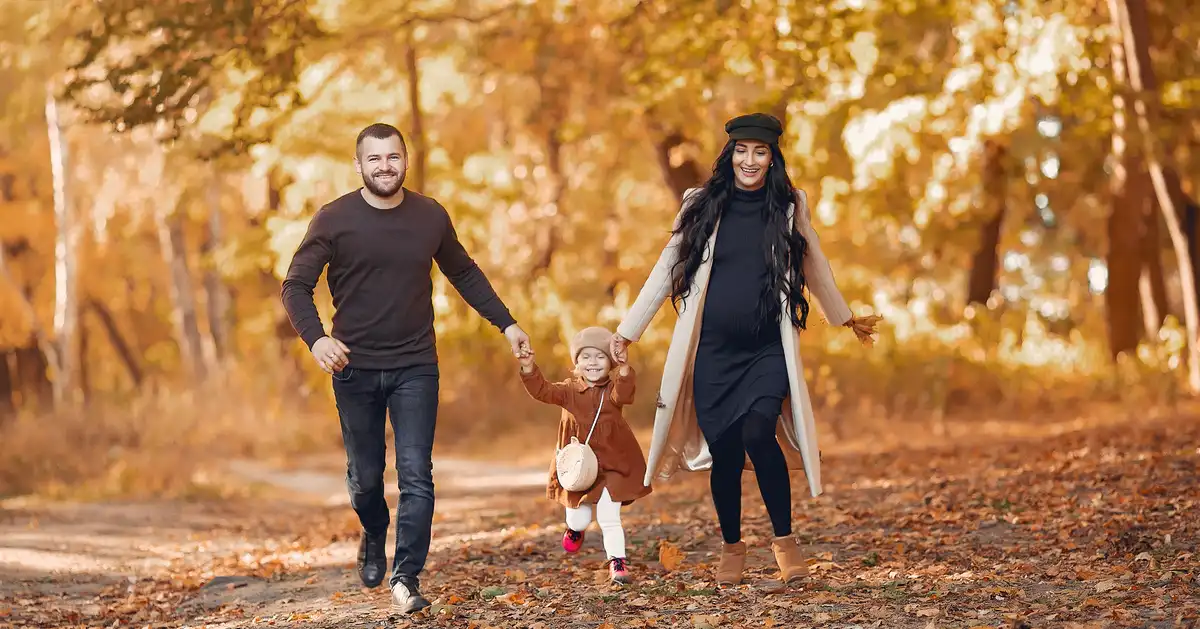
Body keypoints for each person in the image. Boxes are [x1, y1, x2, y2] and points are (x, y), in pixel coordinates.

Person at [609, 113, 879, 586]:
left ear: (772, 158)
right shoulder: (701, 204)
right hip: (713, 355)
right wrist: (629, 330)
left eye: (760, 152)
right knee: (727, 453)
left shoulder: (790, 206)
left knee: (759, 431)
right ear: (729, 154)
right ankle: (733, 547)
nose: (749, 160)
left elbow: (815, 263)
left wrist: (844, 316)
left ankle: (786, 542)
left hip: (765, 351)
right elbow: (665, 269)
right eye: (742, 150)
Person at [280, 123, 532, 613]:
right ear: (358, 166)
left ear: (405, 161)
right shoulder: (334, 220)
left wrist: (507, 324)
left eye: (392, 157)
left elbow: (463, 272)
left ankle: (407, 577)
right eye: (374, 159)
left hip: (416, 364)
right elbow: (294, 286)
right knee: (366, 478)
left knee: (417, 474)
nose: (384, 166)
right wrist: (317, 340)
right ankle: (375, 531)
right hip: (353, 367)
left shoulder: (429, 216)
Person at [516, 326, 652, 584]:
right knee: (580, 518)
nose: (593, 362)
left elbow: (624, 393)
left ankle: (617, 562)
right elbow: (542, 390)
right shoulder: (568, 391)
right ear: (576, 362)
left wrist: (624, 369)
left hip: (612, 464)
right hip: (579, 469)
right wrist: (528, 367)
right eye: (586, 357)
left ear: (609, 362)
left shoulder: (612, 390)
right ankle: (575, 530)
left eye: (600, 357)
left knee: (609, 517)